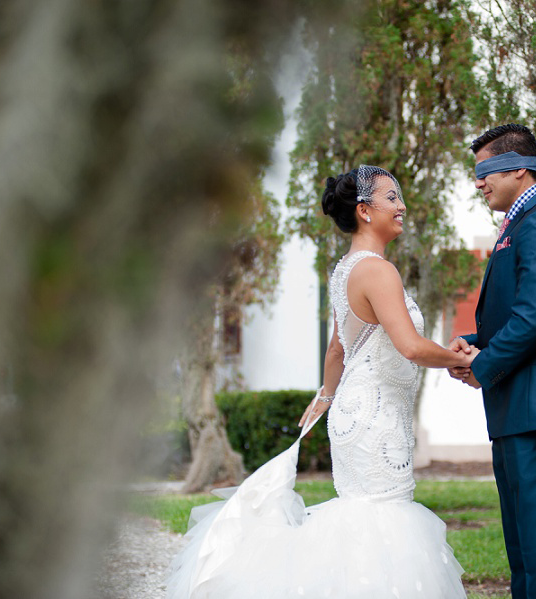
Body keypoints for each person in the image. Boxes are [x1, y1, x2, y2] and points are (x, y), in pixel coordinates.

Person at [165, 165, 475, 599]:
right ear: (365, 211)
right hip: (375, 418)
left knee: (363, 515)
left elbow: (336, 348)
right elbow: (410, 346)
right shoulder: (378, 272)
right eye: (392, 197)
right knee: (383, 520)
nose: (402, 206)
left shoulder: (346, 269)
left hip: (357, 412)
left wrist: (326, 397)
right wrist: (464, 361)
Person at [448, 124, 536, 599]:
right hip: (517, 408)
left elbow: (535, 319)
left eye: (485, 171)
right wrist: (472, 344)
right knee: (525, 553)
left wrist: (482, 366)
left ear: (520, 168)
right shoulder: (520, 224)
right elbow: (517, 315)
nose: (479, 182)